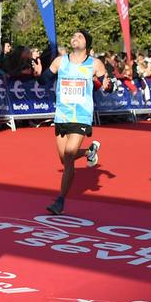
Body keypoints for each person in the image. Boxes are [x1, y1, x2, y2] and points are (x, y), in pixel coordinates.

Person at [44, 30, 109, 215]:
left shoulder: (94, 63)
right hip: (62, 115)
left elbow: (107, 84)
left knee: (70, 154)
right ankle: (90, 151)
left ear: (86, 43)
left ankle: (60, 200)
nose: (75, 38)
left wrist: (108, 85)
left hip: (81, 115)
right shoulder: (60, 61)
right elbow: (44, 78)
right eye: (73, 36)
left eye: (79, 36)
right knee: (64, 159)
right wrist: (39, 73)